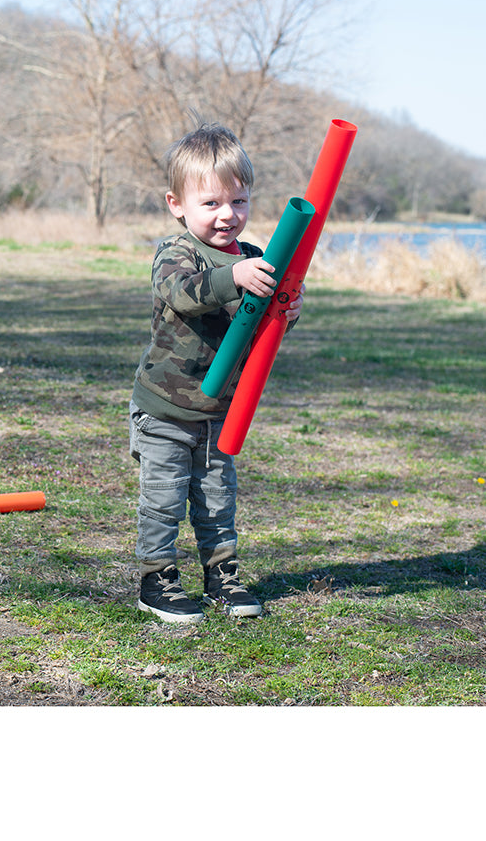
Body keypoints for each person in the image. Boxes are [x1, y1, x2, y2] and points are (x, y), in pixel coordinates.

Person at [129, 122, 304, 624]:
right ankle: (157, 578)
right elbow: (183, 293)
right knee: (163, 499)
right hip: (164, 408)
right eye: (211, 203)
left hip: (220, 413)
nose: (228, 215)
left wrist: (285, 316)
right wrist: (234, 277)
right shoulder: (175, 253)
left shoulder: (256, 259)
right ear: (176, 203)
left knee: (216, 501)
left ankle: (222, 575)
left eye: (240, 201)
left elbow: (254, 335)